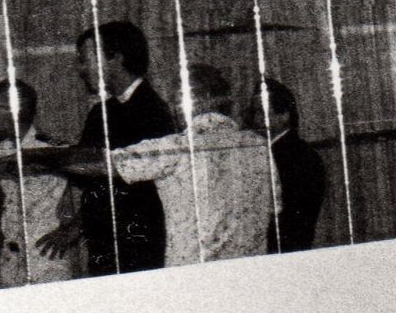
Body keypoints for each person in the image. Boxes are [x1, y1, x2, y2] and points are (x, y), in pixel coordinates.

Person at [104, 70, 276, 267]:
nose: (174, 108)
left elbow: (104, 164)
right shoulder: (259, 146)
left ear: (205, 98)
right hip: (249, 273)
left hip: (193, 276)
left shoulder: (177, 147)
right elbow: (274, 208)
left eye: (179, 98)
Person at [43, 21, 175, 275]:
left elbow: (130, 186)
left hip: (139, 245)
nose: (81, 69)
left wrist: (46, 157)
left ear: (115, 58)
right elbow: (90, 179)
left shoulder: (153, 110)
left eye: (85, 60)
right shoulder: (101, 112)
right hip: (106, 244)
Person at [0, 78, 76, 287]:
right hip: (10, 262)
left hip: (46, 259)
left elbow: (92, 191)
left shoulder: (53, 150)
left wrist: (72, 230)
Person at [257, 76, 330, 253]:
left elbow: (292, 217)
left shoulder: (296, 156)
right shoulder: (291, 152)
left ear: (284, 115)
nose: (255, 119)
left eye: (261, 112)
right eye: (253, 112)